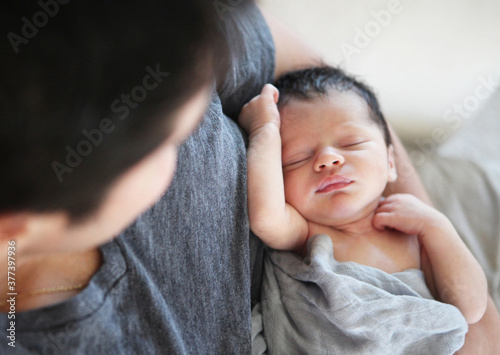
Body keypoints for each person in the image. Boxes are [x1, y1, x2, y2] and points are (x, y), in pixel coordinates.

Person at [0, 1, 498, 353]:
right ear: (17, 226)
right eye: (168, 144)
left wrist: (477, 318)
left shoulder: (137, 37)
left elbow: (317, 79)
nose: (196, 139)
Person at [239, 66, 488, 352]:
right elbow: (265, 217)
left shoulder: (417, 234)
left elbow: (469, 308)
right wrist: (264, 131)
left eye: (351, 143)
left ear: (391, 163)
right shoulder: (305, 231)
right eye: (297, 158)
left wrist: (437, 227)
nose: (328, 158)